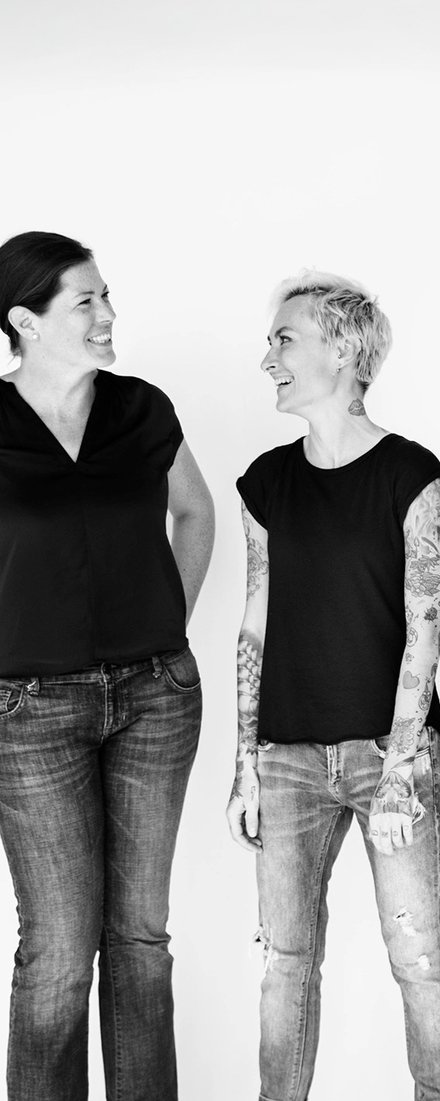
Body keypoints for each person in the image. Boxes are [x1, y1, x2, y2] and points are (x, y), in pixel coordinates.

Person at [224, 273, 440, 1099]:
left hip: (389, 754)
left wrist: (401, 765)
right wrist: (245, 761)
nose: (269, 359)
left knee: (420, 959)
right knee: (285, 964)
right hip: (287, 760)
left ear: (343, 350)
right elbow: (254, 623)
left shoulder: (412, 476)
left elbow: (424, 628)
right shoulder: (265, 482)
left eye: (284, 340)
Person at [0, 231, 215, 1101]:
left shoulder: (141, 407)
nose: (106, 313)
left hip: (155, 696)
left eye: (106, 295)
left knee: (138, 938)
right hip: (27, 707)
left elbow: (194, 513)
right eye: (85, 300)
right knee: (58, 942)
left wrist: (167, 625)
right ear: (26, 321)